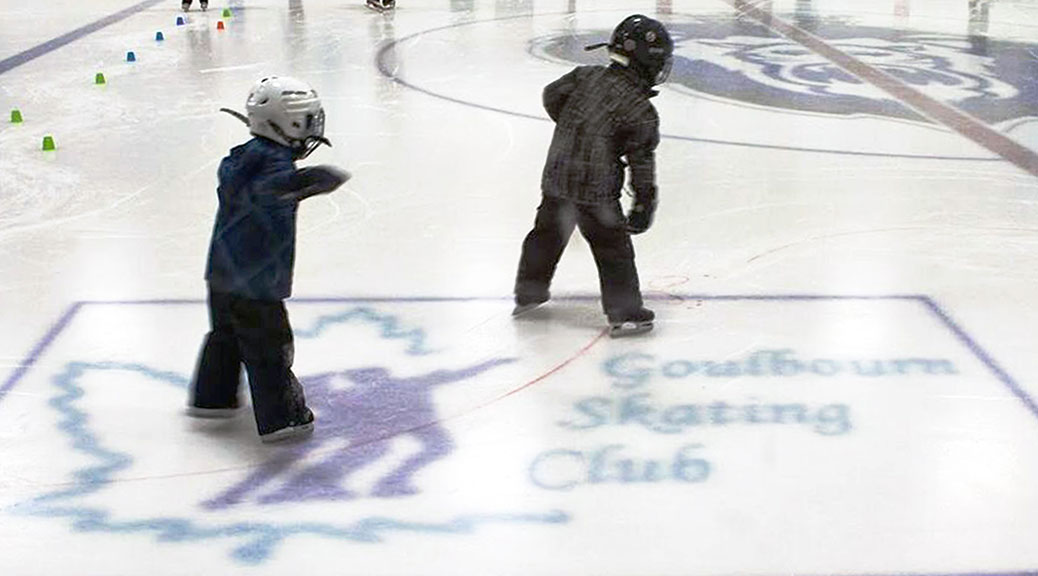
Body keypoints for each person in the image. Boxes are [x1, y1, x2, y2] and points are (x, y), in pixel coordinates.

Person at [188, 76, 350, 443]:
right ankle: (284, 418)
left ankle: (213, 398)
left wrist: (299, 184)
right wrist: (304, 182)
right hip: (256, 282)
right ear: (284, 123)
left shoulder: (245, 157)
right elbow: (268, 193)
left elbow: (254, 190)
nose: (312, 129)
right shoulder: (276, 166)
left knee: (225, 336)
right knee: (269, 349)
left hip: (222, 273)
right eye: (305, 121)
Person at [513, 14, 673, 337]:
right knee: (613, 249)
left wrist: (575, 125)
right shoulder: (641, 110)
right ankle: (625, 313)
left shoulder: (583, 76)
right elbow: (641, 163)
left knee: (546, 235)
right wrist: (644, 202)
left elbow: (551, 95)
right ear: (647, 62)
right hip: (596, 194)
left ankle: (529, 292)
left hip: (557, 178)